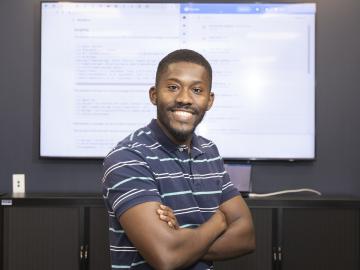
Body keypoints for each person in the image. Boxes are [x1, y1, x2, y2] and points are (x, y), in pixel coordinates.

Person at [102, 49, 255, 270]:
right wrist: (219, 221)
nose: (184, 98)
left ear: (209, 100)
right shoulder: (128, 157)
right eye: (173, 87)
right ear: (154, 94)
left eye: (197, 90)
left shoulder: (210, 151)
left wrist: (182, 240)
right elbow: (166, 257)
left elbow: (246, 237)